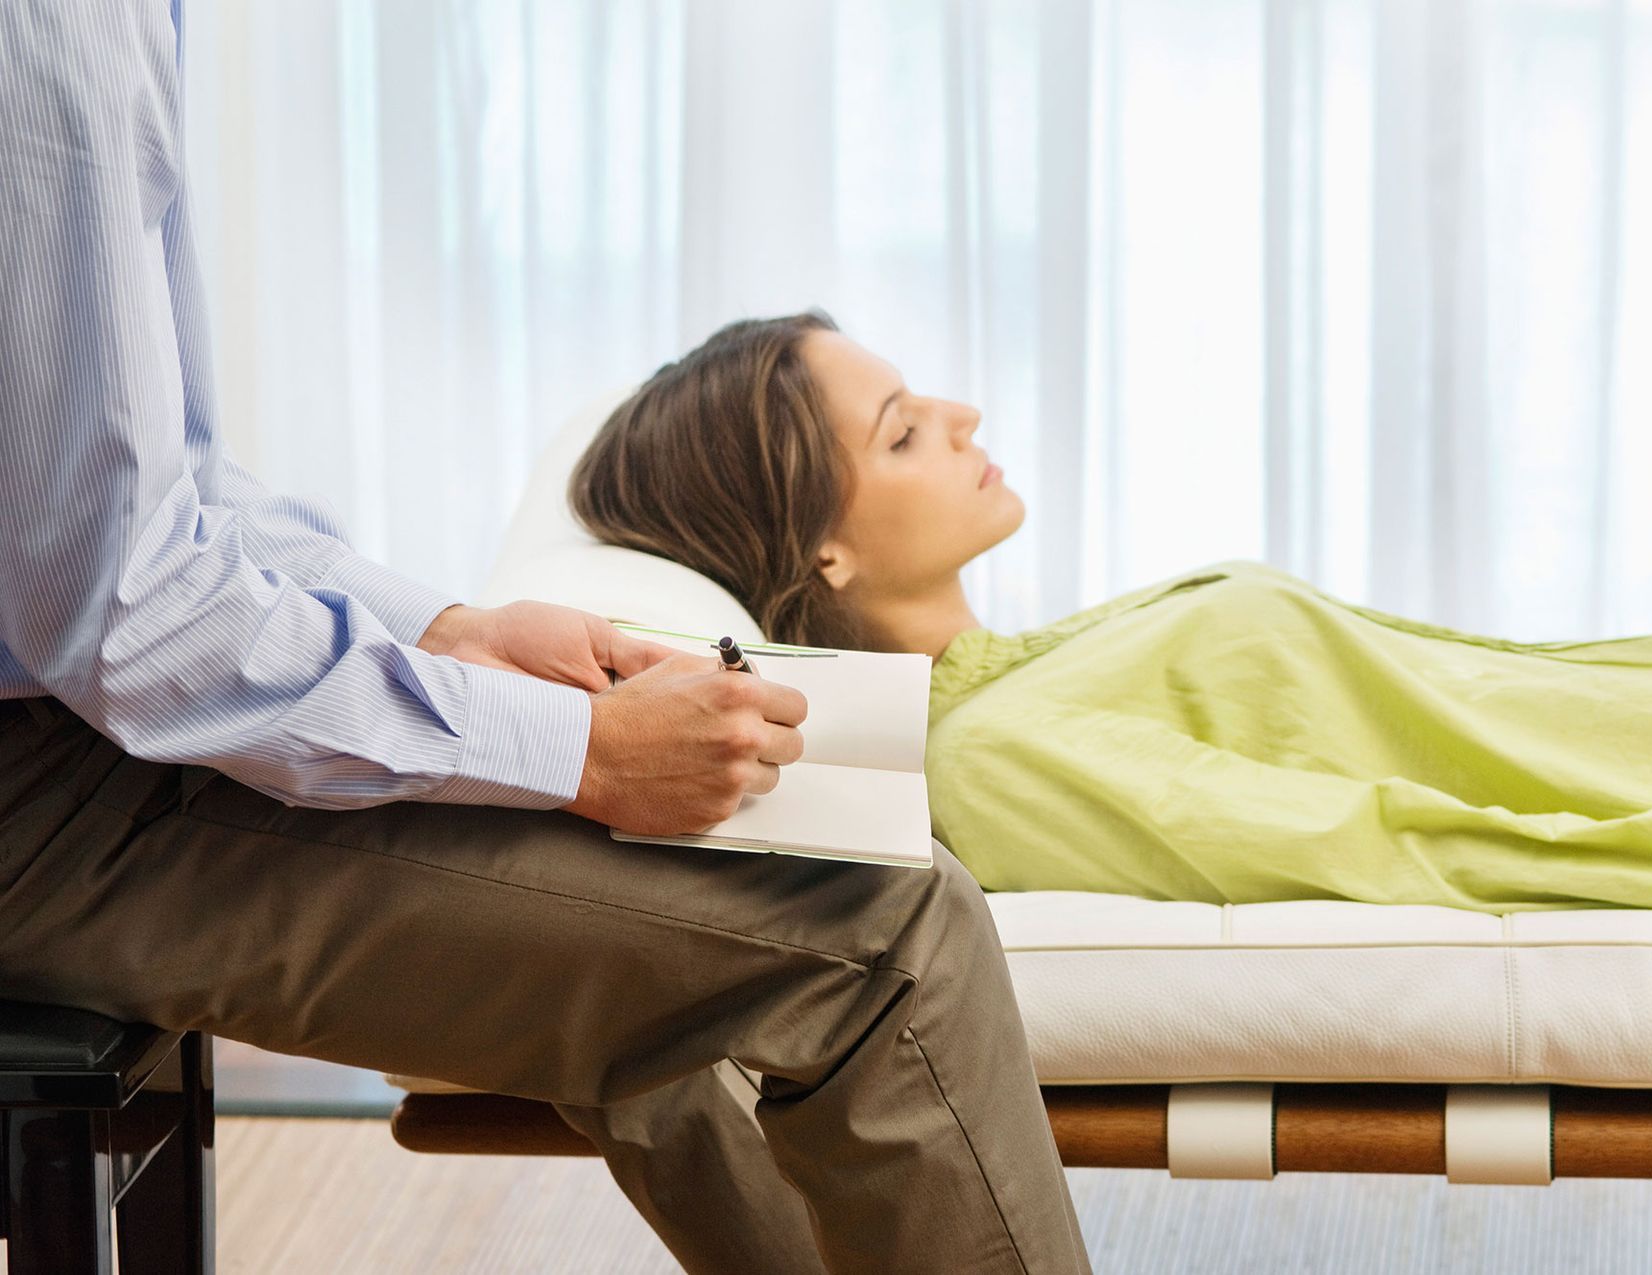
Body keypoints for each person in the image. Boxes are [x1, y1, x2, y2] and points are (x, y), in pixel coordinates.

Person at [0, 4, 1094, 1272]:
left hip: (75, 729)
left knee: (665, 963)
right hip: (48, 785)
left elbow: (162, 490)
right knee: (893, 935)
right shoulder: (54, 30)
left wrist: (454, 631)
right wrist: (577, 750)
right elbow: (124, 613)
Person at [570, 309, 1652, 921]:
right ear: (826, 550)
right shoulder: (996, 757)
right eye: (907, 431)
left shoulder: (1046, 668)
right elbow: (1387, 841)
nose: (965, 415)